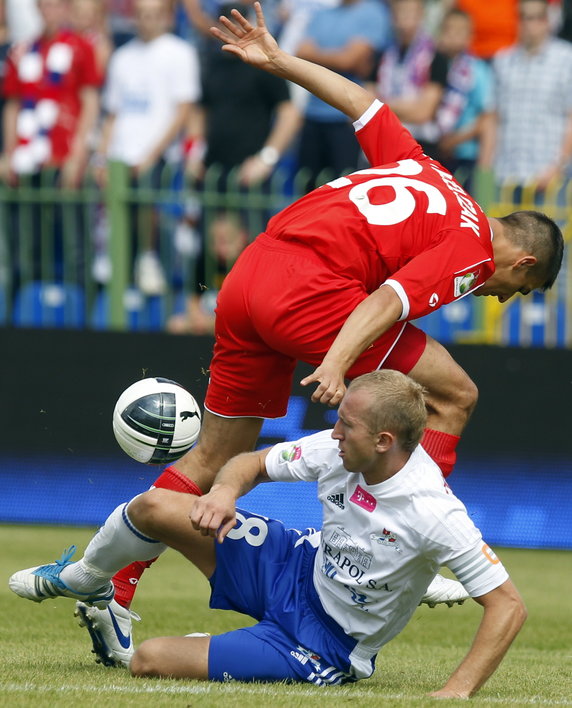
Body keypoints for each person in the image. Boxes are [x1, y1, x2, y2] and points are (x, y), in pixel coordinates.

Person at [43, 1, 562, 667]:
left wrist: (280, 58)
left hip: (250, 276)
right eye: (515, 290)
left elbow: (361, 102)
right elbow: (388, 299)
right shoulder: (474, 253)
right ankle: (408, 539)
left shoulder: (431, 174)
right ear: (522, 263)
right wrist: (338, 364)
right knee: (456, 394)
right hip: (313, 297)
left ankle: (112, 585)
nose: (503, 295)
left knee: (210, 460)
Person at [9, 370, 527, 697]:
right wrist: (222, 494)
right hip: (292, 562)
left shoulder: (433, 510)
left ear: (385, 440)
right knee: (155, 507)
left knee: (150, 661)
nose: (334, 433)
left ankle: (230, 650)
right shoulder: (338, 447)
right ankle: (88, 578)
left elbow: (508, 607)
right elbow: (252, 462)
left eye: (346, 426)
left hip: (324, 643)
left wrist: (455, 692)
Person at [92, 0, 201, 295]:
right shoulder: (122, 57)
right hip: (120, 155)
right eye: (141, 15)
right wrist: (101, 157)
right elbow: (113, 113)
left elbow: (183, 110)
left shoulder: (181, 53)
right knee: (117, 215)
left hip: (158, 155)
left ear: (167, 17)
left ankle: (149, 260)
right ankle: (119, 270)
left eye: (153, 15)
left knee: (149, 209)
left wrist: (152, 156)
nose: (147, 20)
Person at [480, 0, 572, 191]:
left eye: (536, 17)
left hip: (550, 178)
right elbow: (492, 118)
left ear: (547, 20)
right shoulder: (503, 60)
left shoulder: (566, 59)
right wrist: (485, 168)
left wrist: (558, 166)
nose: (530, 24)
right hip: (506, 176)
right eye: (524, 17)